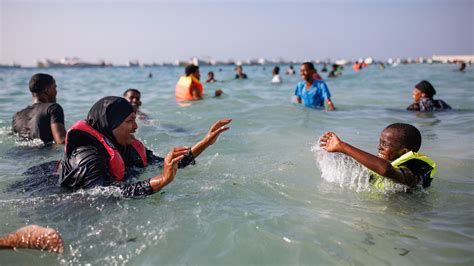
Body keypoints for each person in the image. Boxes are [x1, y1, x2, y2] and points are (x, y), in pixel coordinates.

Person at [58, 96, 232, 198]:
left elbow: (168, 165)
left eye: (135, 120)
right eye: (129, 121)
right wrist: (162, 181)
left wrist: (206, 142)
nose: (136, 127)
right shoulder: (86, 157)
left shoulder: (128, 147)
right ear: (110, 125)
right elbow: (104, 194)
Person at [319, 123, 436, 191]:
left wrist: (343, 147)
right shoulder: (382, 163)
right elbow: (361, 168)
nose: (379, 147)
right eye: (380, 143)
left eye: (385, 144)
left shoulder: (416, 167)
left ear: (404, 151)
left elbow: (386, 170)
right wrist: (336, 154)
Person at [12, 73, 66, 144]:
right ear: (47, 90)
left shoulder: (17, 116)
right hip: (43, 154)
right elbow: (61, 140)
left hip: (19, 153)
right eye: (55, 87)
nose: (56, 91)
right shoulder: (53, 108)